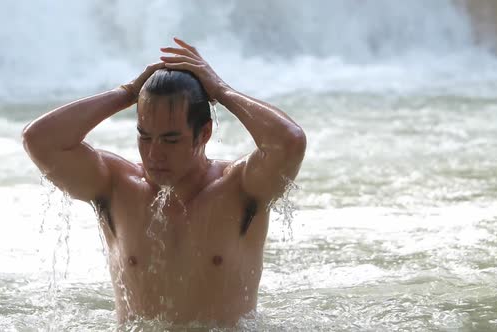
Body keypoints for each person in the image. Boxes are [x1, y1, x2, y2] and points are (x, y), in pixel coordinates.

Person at [22, 37, 306, 327]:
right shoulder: (114, 186)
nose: (154, 154)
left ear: (204, 133)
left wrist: (221, 90)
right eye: (144, 136)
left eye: (171, 139)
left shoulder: (240, 189)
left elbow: (289, 142)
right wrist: (127, 92)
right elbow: (40, 140)